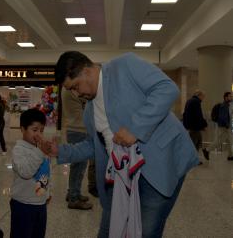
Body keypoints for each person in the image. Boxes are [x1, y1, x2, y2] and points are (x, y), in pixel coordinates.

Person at [48, 51, 199, 238]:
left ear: (86, 70)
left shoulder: (125, 65)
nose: (76, 94)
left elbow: (167, 89)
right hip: (120, 178)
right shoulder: (89, 111)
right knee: (109, 231)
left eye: (75, 86)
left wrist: (135, 129)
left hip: (158, 166)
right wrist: (59, 151)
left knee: (145, 231)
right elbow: (93, 146)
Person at [10, 108, 50, 238]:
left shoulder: (39, 150)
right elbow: (26, 172)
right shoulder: (19, 150)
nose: (39, 134)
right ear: (22, 129)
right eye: (34, 130)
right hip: (23, 204)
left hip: (40, 203)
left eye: (41, 130)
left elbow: (45, 173)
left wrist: (47, 193)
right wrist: (40, 153)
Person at [62, 87, 93, 210]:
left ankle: (73, 192)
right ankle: (74, 198)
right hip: (78, 130)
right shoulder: (70, 89)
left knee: (78, 166)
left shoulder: (67, 89)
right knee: (78, 166)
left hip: (75, 129)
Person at [204, 92, 233, 161]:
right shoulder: (224, 106)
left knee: (230, 140)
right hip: (224, 127)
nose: (231, 97)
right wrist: (226, 125)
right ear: (226, 97)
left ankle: (230, 155)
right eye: (230, 96)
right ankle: (207, 150)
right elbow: (222, 117)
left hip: (226, 126)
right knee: (219, 141)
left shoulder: (228, 105)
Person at [182, 90, 208, 164]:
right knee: (194, 144)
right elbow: (198, 115)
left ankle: (194, 159)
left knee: (198, 141)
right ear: (199, 95)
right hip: (194, 127)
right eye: (203, 97)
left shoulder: (190, 101)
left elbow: (185, 114)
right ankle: (192, 160)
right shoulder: (196, 102)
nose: (203, 98)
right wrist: (204, 125)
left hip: (191, 126)